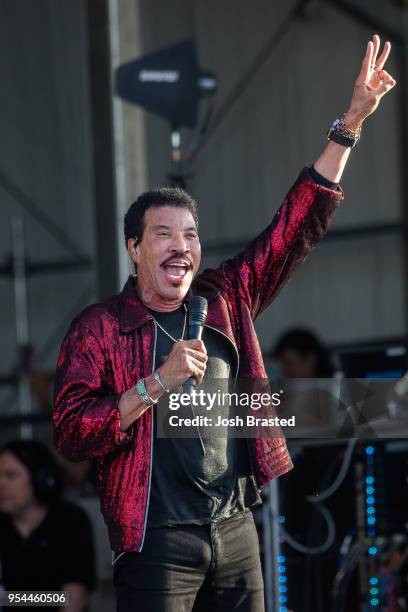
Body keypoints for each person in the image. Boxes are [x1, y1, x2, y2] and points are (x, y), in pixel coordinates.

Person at [53, 35, 396, 612]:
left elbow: (293, 229)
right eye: (163, 234)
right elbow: (68, 432)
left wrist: (350, 125)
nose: (181, 246)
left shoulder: (223, 298)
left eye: (190, 235)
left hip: (234, 529)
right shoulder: (102, 328)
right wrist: (153, 385)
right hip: (154, 541)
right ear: (134, 248)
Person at [0, 440, 96, 612]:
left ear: (40, 478)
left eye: (11, 475)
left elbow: (74, 598)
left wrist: (10, 598)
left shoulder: (70, 520)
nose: (1, 484)